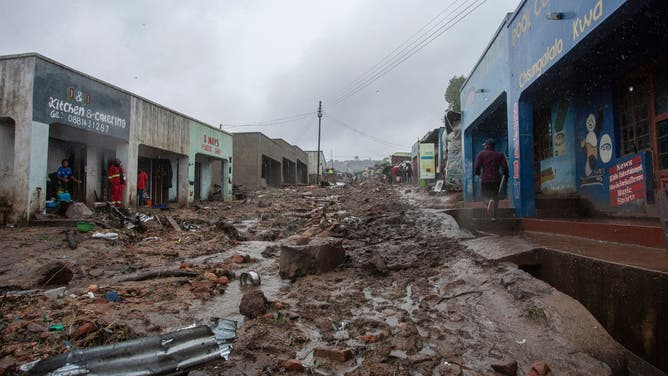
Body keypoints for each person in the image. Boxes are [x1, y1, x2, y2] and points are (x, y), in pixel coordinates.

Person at [474, 139, 508, 219]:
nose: (484, 147)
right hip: (496, 179)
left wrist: (477, 173)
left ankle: (488, 202)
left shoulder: (481, 154)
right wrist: (506, 175)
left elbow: (477, 167)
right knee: (495, 197)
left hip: (485, 179)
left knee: (484, 196)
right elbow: (505, 167)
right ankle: (494, 216)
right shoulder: (500, 155)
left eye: (485, 145)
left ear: (487, 146)